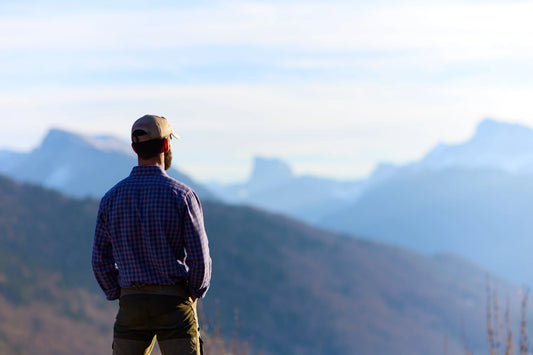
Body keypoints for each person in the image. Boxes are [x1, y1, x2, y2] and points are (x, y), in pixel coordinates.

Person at [92, 114, 212, 355]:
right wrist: (194, 292)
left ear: (134, 148)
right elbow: (199, 259)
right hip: (174, 301)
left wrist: (119, 292)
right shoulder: (183, 196)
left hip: (132, 303)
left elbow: (100, 260)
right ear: (166, 145)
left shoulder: (111, 198)